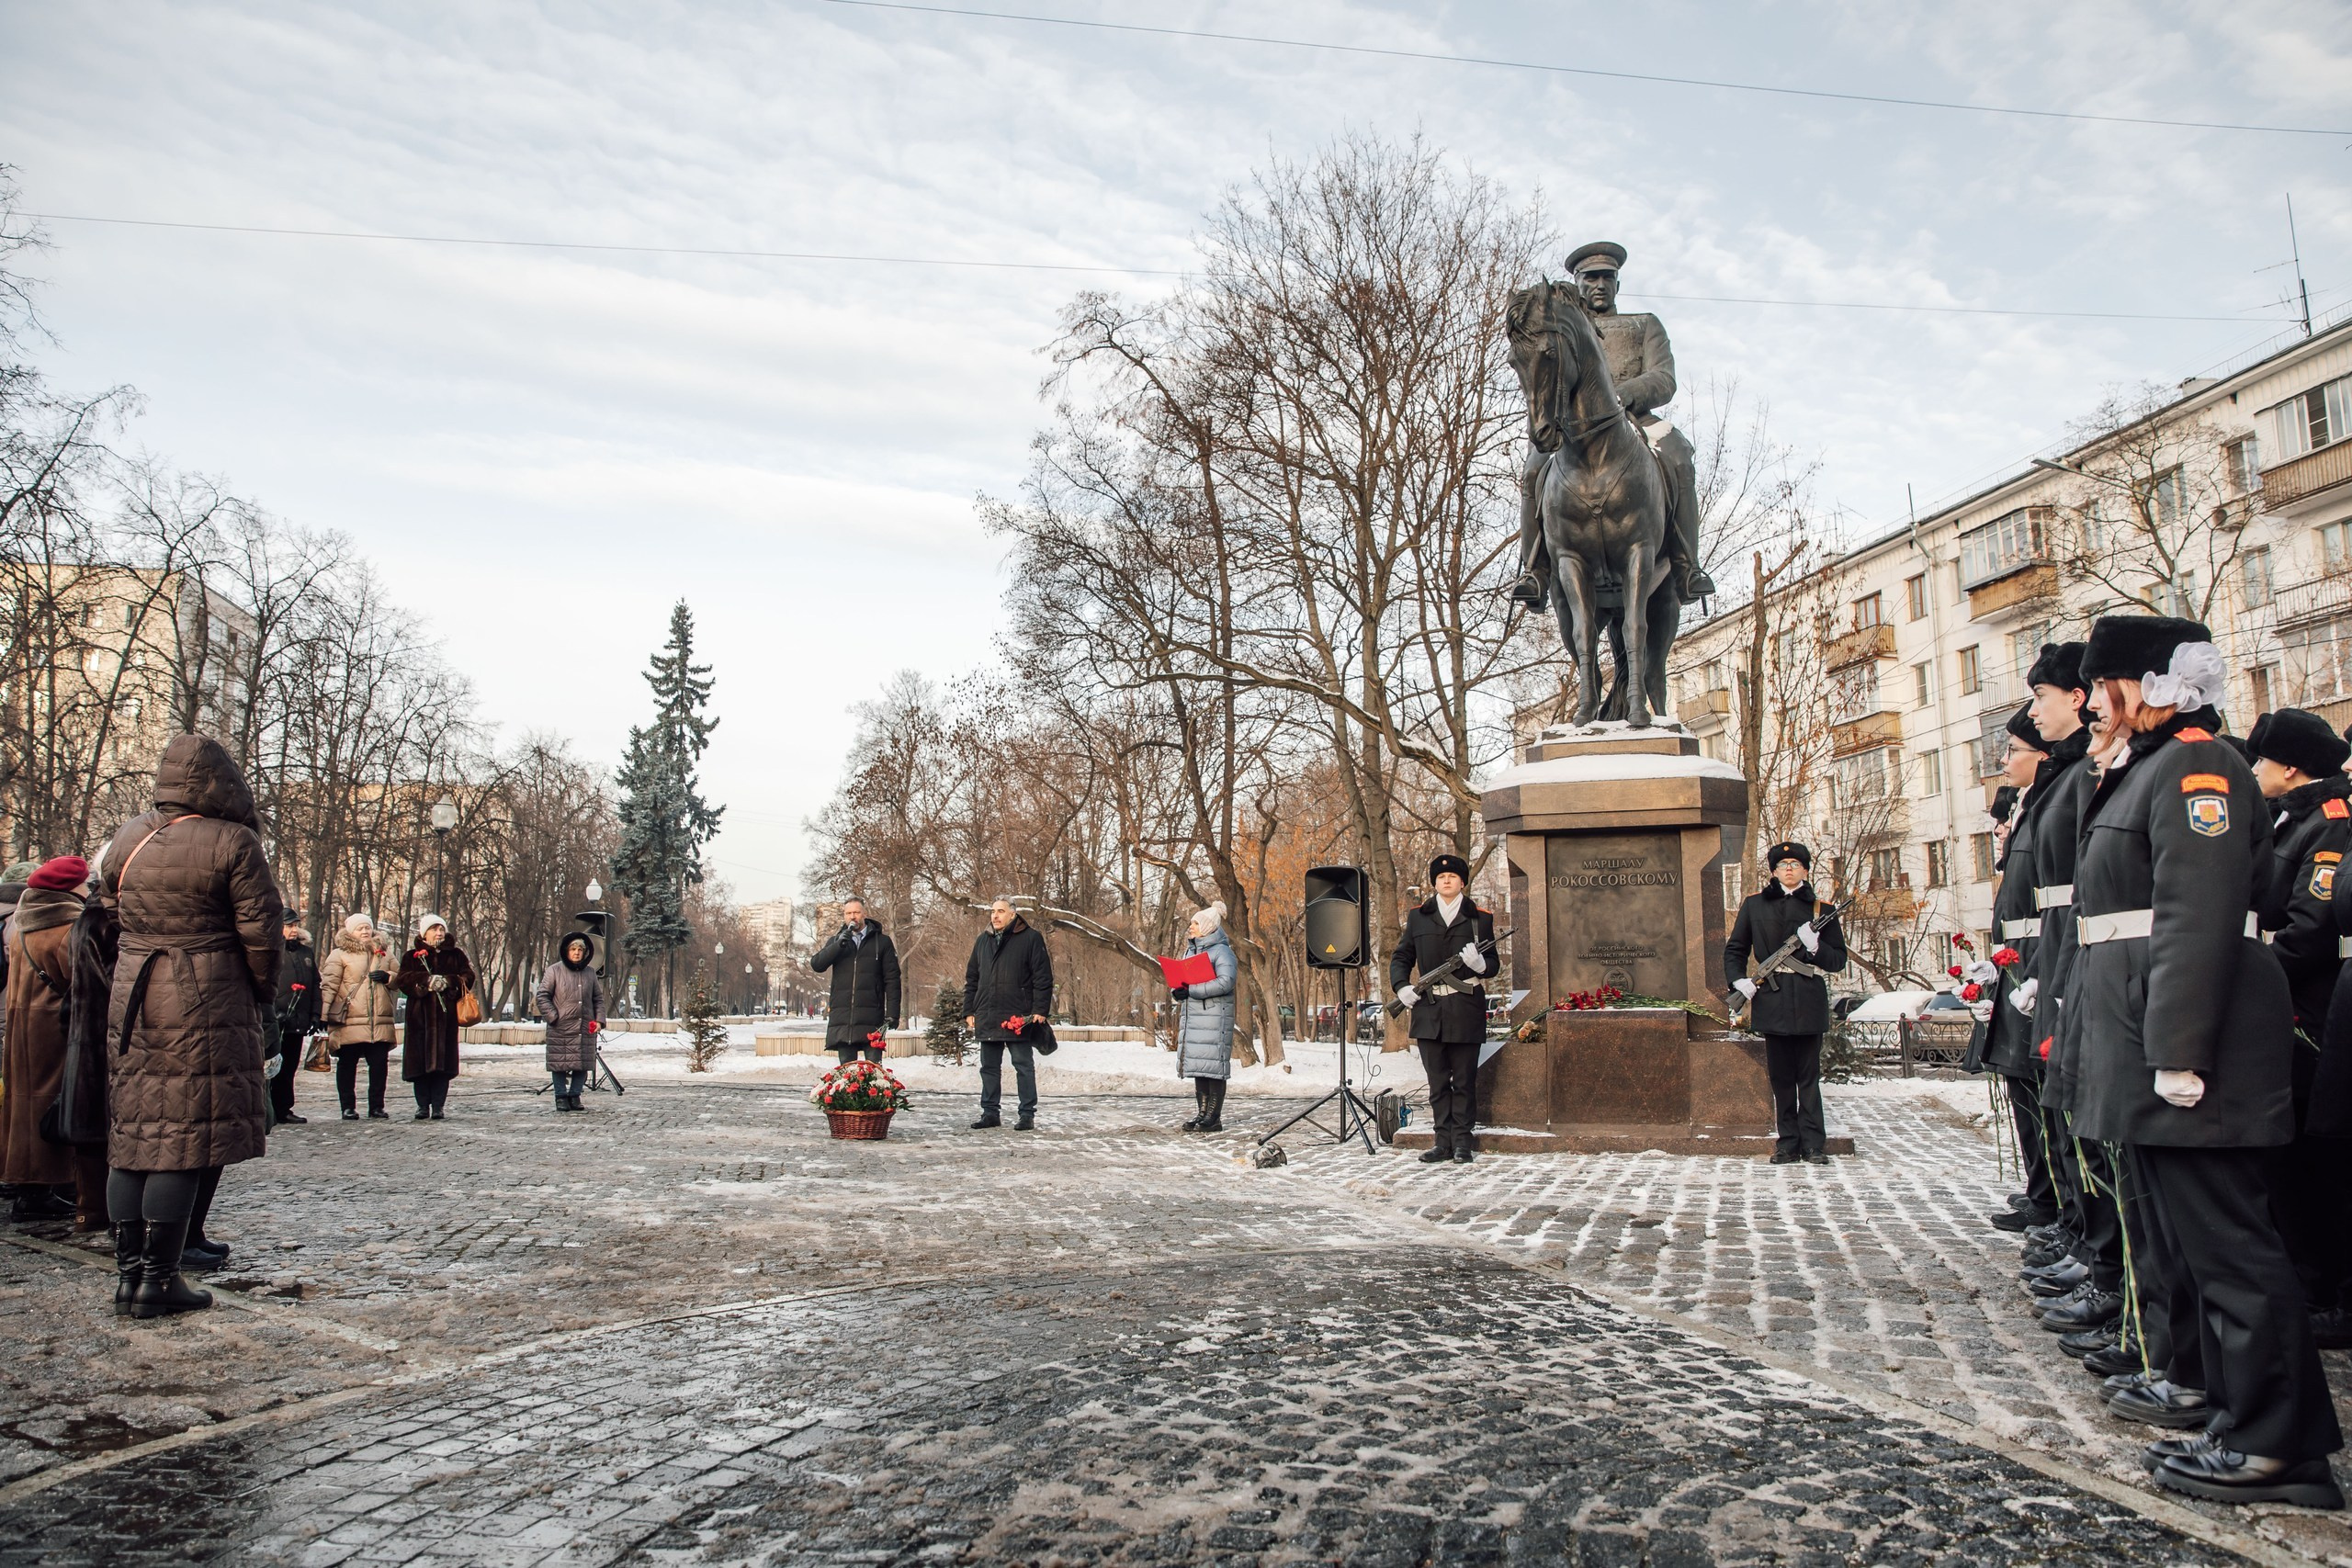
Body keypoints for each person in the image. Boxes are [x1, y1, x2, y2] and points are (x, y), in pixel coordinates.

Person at [2069, 615, 2341, 1507]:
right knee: (2197, 1251)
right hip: (2148, 1038)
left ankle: (2280, 1447)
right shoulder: (2147, 767)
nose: (2089, 703)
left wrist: (2178, 1049)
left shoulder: (2197, 766)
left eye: (2099, 685)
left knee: (2232, 1252)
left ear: (2143, 684)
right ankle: (2241, 1420)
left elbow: (2197, 912)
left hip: (2195, 1048)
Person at [99, 734, 284, 1320]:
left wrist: (145, 943)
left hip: (135, 995)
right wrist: (259, 992)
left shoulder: (130, 835)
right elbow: (262, 933)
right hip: (204, 996)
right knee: (183, 1137)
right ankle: (159, 1281)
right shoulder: (232, 840)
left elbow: (109, 906)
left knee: (134, 1136)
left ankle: (129, 1279)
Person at [1510, 241, 1712, 608]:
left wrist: (1623, 395)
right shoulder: (1561, 329)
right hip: (1572, 430)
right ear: (1577, 282)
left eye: (1607, 277)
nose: (1599, 285)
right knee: (1532, 471)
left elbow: (1664, 378)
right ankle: (1534, 570)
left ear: (1618, 282)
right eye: (1590, 278)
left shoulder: (1643, 325)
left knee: (1680, 457)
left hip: (1637, 421)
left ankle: (1687, 566)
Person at [2246, 707, 2352, 1345]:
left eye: (2263, 759)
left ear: (2290, 768)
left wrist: (2253, 980)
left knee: (2314, 1159)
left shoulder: (2329, 823)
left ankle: (2323, 1287)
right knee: (2287, 1158)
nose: (2255, 769)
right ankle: (2304, 1278)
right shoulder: (2291, 818)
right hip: (2285, 1004)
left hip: (2307, 1008)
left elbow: (2310, 926)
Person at [1724, 840, 1847, 1165]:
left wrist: (1815, 947)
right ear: (1774, 871)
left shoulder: (1822, 910)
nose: (1789, 869)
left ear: (1805, 870)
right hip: (1772, 998)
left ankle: (1813, 1144)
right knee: (1781, 1078)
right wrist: (1739, 981)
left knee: (1808, 1077)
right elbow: (1736, 948)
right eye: (1782, 865)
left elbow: (1838, 960)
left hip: (1807, 999)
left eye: (1795, 865)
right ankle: (1787, 1143)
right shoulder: (1754, 905)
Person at [1978, 708, 2052, 1232]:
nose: (2004, 762)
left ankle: (2056, 1206)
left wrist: (2040, 970)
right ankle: (2044, 1195)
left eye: (2012, 751)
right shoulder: (2031, 808)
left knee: (2042, 1098)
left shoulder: (2053, 802)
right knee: (2024, 1092)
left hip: (2036, 968)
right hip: (2018, 966)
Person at [0, 856, 104, 1228]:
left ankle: (29, 1186)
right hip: (54, 1030)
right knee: (55, 1106)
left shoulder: (24, 926)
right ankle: (43, 1191)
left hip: (24, 1028)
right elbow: (82, 983)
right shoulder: (67, 928)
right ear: (72, 888)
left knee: (25, 1108)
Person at [1390, 855, 1498, 1166]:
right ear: (1434, 883)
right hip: (1429, 1009)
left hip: (1465, 1008)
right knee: (1437, 1082)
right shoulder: (1418, 917)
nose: (1446, 880)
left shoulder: (1480, 919)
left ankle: (1462, 1142)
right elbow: (1402, 956)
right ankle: (1442, 1142)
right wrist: (1401, 986)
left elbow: (1494, 964)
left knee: (1463, 1081)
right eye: (1440, 877)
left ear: (1462, 882)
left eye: (1452, 876)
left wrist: (1481, 965)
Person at [963, 897, 1052, 1131]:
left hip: (1018, 1015)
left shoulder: (1031, 938)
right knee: (988, 1067)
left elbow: (1043, 977)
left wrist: (1040, 1010)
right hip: (987, 1013)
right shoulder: (983, 940)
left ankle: (1027, 1114)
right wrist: (969, 1009)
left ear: (1013, 914)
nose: (995, 915)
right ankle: (990, 1113)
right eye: (993, 911)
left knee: (1023, 1066)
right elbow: (972, 978)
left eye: (1000, 911)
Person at [318, 913, 398, 1120]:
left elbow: (401, 979)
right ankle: (348, 1107)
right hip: (349, 1019)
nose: (364, 931)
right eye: (359, 928)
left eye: (367, 927)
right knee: (347, 1064)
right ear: (350, 932)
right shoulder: (339, 954)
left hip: (378, 1020)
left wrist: (388, 977)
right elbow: (329, 985)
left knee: (379, 1065)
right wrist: (324, 1014)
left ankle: (376, 1107)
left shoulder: (385, 954)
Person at [396, 915, 474, 1121]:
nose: (439, 933)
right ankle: (422, 1106)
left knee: (442, 1064)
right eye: (434, 929)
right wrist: (425, 981)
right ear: (424, 933)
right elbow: (402, 979)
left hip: (445, 1018)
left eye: (441, 929)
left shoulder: (456, 955)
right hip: (419, 1018)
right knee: (419, 1064)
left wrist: (449, 982)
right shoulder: (412, 956)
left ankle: (438, 1106)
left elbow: (468, 976)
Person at [1170, 902, 1238, 1134]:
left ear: (1208, 927)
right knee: (1199, 1065)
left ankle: (1213, 1117)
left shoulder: (1222, 951)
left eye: (1196, 923)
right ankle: (1202, 1114)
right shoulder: (1191, 951)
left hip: (1214, 1017)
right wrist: (1178, 990)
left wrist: (1192, 990)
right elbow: (1182, 979)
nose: (1191, 927)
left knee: (1213, 1067)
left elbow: (1226, 982)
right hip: (1194, 1016)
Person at [808, 897, 901, 1066]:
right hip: (843, 1019)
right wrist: (838, 945)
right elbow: (817, 965)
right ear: (844, 916)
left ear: (864, 914)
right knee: (846, 1071)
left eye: (856, 912)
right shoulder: (836, 941)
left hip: (872, 1018)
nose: (853, 917)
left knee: (874, 1071)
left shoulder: (882, 942)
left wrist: (893, 1013)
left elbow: (892, 979)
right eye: (848, 913)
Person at [535, 932, 604, 1111]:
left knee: (582, 1063)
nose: (577, 952)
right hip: (561, 1027)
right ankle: (560, 1097)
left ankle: (575, 1095)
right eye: (573, 949)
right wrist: (554, 1017)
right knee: (559, 1064)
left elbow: (597, 999)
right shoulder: (554, 970)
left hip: (584, 1027)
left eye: (580, 949)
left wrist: (599, 1020)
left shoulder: (590, 973)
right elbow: (542, 996)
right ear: (567, 951)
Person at [269, 908, 319, 1127]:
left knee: (289, 1067)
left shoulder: (305, 952)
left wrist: (315, 1014)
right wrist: (273, 1011)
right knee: (272, 1066)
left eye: (296, 925)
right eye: (289, 925)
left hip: (298, 1019)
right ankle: (268, 1108)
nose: (294, 930)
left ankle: (283, 1108)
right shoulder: (271, 950)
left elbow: (315, 984)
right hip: (276, 1019)